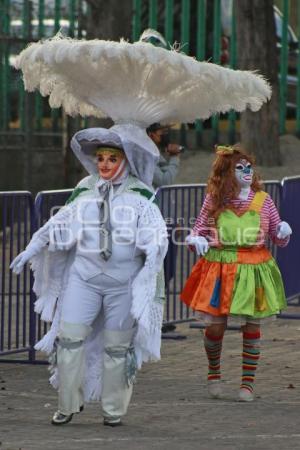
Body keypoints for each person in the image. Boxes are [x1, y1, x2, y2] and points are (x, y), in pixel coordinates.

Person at [10, 125, 168, 426]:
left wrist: (153, 248)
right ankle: (67, 404)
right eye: (101, 158)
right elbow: (60, 223)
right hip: (84, 278)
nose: (105, 164)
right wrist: (34, 247)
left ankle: (113, 410)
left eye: (112, 158)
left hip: (124, 282)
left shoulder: (141, 193)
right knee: (69, 339)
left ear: (125, 160)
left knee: (117, 347)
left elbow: (156, 233)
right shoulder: (85, 188)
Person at [180, 144, 292, 402]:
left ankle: (248, 384)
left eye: (248, 167)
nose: (246, 172)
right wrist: (196, 240)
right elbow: (198, 230)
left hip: (255, 267)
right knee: (216, 328)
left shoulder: (264, 200)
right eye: (239, 168)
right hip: (220, 267)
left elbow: (276, 234)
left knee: (252, 326)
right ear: (226, 173)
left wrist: (284, 232)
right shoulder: (214, 199)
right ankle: (214, 371)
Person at [147, 122, 182, 189]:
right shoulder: (147, 156)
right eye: (162, 131)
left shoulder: (155, 153)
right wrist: (174, 157)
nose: (165, 134)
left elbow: (164, 171)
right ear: (151, 135)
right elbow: (165, 182)